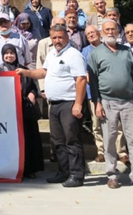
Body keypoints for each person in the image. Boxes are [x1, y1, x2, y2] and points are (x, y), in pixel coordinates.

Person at [20, 24, 87, 187]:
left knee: (72, 140)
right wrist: (25, 72)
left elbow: (81, 79)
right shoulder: (52, 54)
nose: (57, 40)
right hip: (54, 104)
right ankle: (63, 172)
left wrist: (78, 104)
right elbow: (43, 72)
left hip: (69, 103)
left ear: (67, 37)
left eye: (60, 37)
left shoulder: (74, 55)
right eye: (54, 37)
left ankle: (76, 175)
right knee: (57, 141)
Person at [88, 21, 133, 191]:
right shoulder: (96, 53)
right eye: (107, 29)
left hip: (128, 101)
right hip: (107, 102)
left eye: (113, 29)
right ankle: (112, 175)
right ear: (101, 32)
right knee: (109, 140)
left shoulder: (127, 51)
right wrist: (97, 102)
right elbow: (93, 80)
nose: (110, 31)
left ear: (118, 31)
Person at [0, 44, 43, 177]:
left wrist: (33, 94)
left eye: (12, 53)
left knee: (28, 138)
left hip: (25, 111)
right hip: (7, 111)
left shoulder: (24, 70)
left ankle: (29, 169)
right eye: (6, 53)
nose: (9, 55)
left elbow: (34, 86)